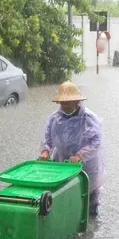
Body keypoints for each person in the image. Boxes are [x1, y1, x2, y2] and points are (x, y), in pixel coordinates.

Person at [39, 81, 105, 216]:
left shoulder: (88, 118)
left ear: (76, 101)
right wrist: (46, 150)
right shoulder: (55, 118)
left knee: (89, 205)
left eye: (68, 102)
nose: (65, 106)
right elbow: (47, 137)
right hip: (62, 164)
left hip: (87, 166)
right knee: (64, 199)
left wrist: (80, 155)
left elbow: (97, 142)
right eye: (62, 103)